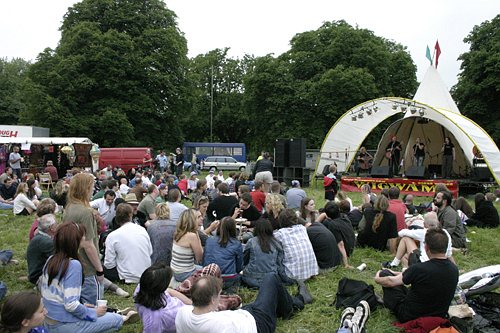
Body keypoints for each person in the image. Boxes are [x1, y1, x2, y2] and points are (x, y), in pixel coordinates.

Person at [40, 222, 135, 333]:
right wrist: (93, 313)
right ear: (75, 241)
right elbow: (70, 305)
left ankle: (115, 314)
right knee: (116, 320)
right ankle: (119, 317)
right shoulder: (73, 265)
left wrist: (83, 307)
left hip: (48, 321)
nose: (85, 238)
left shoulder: (51, 260)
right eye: (82, 235)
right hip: (64, 325)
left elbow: (58, 296)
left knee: (95, 311)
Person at [374, 228, 459, 323]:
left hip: (410, 315)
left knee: (385, 274)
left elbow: (391, 281)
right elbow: (415, 276)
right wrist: (398, 273)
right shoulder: (454, 269)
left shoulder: (419, 268)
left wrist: (378, 278)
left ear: (426, 248)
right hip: (439, 315)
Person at [175, 274, 305, 333]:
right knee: (270, 278)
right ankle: (295, 305)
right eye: (219, 294)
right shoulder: (220, 325)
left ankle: (288, 302)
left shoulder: (182, 313)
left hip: (245, 313)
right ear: (213, 300)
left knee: (266, 297)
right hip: (259, 323)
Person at [62, 173, 104, 305]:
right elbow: (88, 245)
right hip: (87, 267)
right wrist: (99, 270)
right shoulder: (86, 212)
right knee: (94, 304)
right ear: (85, 189)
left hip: (73, 263)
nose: (93, 190)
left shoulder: (69, 208)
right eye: (91, 187)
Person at [382, 212, 453, 269]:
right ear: (438, 222)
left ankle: (395, 264)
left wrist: (409, 224)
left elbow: (401, 233)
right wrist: (454, 267)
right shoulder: (446, 233)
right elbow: (449, 254)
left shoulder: (424, 232)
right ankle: (405, 269)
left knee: (405, 240)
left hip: (424, 263)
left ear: (424, 224)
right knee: (406, 256)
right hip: (441, 263)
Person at [134, 263, 192, 333]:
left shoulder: (141, 288)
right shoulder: (155, 318)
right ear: (161, 287)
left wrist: (192, 304)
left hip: (190, 310)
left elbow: (169, 291)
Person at [104, 203, 152, 284]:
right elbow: (150, 252)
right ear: (131, 215)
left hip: (125, 277)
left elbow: (109, 264)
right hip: (145, 274)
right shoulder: (142, 230)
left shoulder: (112, 236)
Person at [241, 219, 292, 288]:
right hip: (271, 280)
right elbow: (279, 265)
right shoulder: (276, 243)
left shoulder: (251, 242)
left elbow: (244, 260)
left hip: (252, 280)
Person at [274, 209, 318, 281]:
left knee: (276, 252)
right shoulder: (302, 229)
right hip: (310, 272)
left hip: (292, 276)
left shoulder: (280, 234)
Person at [203, 217, 243, 289]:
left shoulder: (209, 240)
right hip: (228, 279)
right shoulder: (236, 244)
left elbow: (205, 259)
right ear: (233, 228)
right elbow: (239, 266)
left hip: (210, 277)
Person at [171, 209, 204, 282]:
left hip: (175, 270)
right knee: (211, 271)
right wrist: (197, 235)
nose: (202, 218)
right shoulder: (192, 236)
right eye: (198, 217)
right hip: (185, 273)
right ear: (192, 220)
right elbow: (200, 258)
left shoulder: (178, 232)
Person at [319, 202, 356, 268]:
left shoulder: (333, 225)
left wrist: (346, 264)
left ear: (327, 215)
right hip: (351, 247)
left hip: (345, 251)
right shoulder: (344, 216)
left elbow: (340, 244)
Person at [26, 214, 57, 285]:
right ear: (51, 227)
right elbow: (58, 261)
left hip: (35, 271)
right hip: (39, 277)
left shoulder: (40, 235)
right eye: (56, 224)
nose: (57, 225)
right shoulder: (47, 242)